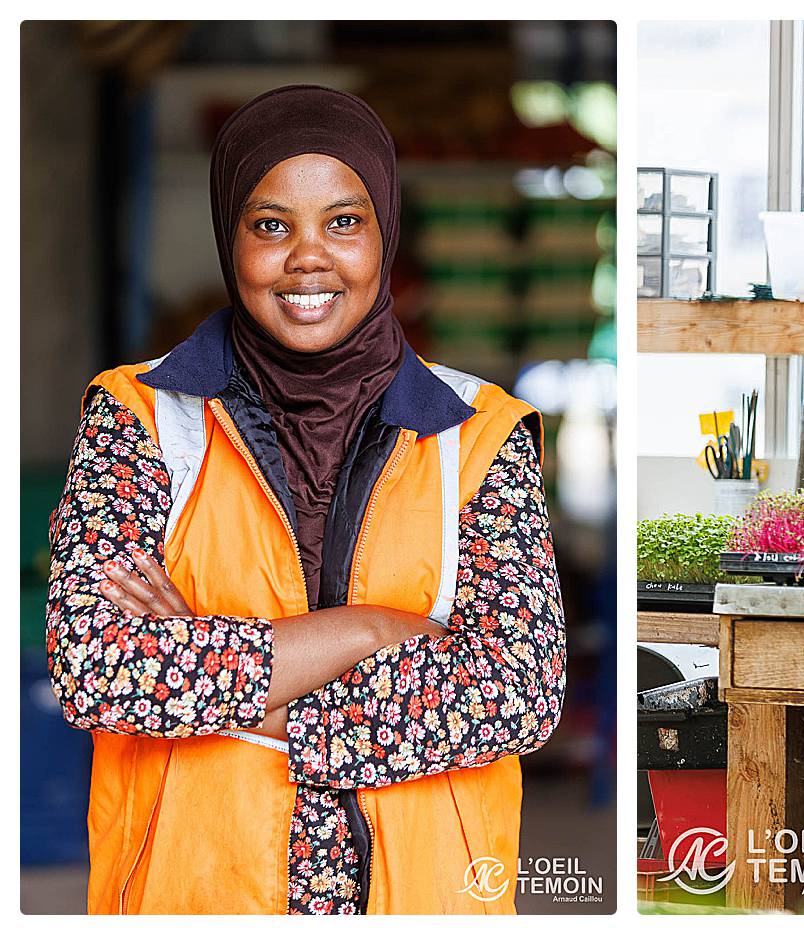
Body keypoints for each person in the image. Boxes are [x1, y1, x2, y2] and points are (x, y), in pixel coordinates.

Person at [44, 85, 565, 914]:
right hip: (194, 895)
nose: (308, 258)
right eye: (271, 225)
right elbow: (96, 669)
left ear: (386, 231)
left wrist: (215, 674)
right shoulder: (138, 417)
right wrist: (372, 631)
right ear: (231, 236)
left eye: (344, 222)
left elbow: (519, 694)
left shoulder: (478, 434)